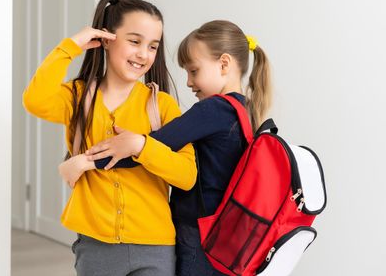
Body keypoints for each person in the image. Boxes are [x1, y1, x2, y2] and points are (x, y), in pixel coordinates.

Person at [63, 20, 272, 275]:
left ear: (224, 64)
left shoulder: (213, 109)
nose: (188, 82)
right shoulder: (245, 110)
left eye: (194, 71)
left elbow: (153, 145)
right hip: (225, 234)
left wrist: (86, 163)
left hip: (198, 232)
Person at [23, 0, 197, 276]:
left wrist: (141, 145)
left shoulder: (162, 105)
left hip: (155, 246)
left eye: (152, 46)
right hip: (95, 246)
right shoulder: (78, 97)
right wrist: (70, 47)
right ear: (106, 39)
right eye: (134, 41)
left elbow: (187, 175)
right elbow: (35, 100)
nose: (144, 54)